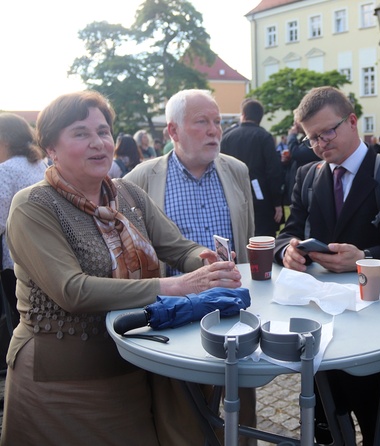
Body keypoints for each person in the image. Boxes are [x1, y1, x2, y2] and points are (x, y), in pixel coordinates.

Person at [1, 90, 243, 445]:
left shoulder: (127, 194)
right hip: (62, 378)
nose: (98, 143)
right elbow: (72, 290)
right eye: (81, 133)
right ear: (51, 148)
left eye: (103, 131)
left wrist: (206, 261)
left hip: (133, 360)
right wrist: (174, 286)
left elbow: (177, 247)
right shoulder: (33, 206)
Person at [275, 86, 380, 445]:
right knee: (322, 412)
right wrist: (286, 252)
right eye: (312, 138)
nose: (322, 143)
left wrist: (365, 256)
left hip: (373, 320)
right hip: (319, 319)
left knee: (375, 416)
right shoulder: (308, 176)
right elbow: (289, 232)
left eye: (328, 131)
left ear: (353, 121)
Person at [125, 89, 256, 445]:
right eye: (202, 122)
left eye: (218, 122)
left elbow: (248, 235)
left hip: (232, 314)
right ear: (173, 131)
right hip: (174, 317)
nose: (215, 130)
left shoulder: (237, 170)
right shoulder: (140, 178)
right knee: (179, 413)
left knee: (237, 408)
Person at [0, 113, 48, 336]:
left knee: (25, 323)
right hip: (48, 251)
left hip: (17, 259)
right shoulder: (40, 164)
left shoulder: (6, 170)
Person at [221, 98, 284, 236]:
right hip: (261, 197)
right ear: (260, 118)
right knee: (262, 239)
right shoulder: (264, 136)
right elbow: (273, 171)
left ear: (242, 114)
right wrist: (277, 202)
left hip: (232, 193)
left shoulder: (226, 136)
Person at [283, 120, 320, 206]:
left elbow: (297, 154)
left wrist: (291, 136)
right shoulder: (303, 139)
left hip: (307, 186)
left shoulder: (313, 140)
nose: (294, 125)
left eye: (296, 121)